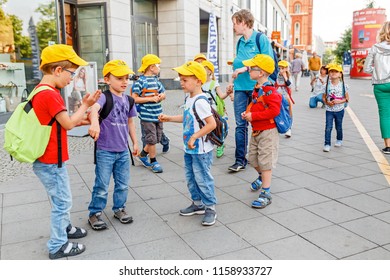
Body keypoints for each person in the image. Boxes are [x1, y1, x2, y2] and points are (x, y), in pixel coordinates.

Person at [33, 44, 101, 259]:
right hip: (51, 159)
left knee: (61, 197)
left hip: (49, 157)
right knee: (62, 201)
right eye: (71, 73)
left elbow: (62, 122)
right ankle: (57, 245)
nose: (72, 78)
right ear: (58, 70)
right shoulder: (50, 95)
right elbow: (69, 125)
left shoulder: (41, 91)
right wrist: (86, 104)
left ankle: (65, 228)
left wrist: (80, 117)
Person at [158, 61, 218, 226]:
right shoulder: (190, 99)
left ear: (198, 81)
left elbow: (211, 124)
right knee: (191, 178)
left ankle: (210, 207)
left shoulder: (200, 101)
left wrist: (194, 137)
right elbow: (188, 118)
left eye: (185, 80)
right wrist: (169, 118)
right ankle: (197, 204)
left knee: (203, 178)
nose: (181, 82)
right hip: (190, 149)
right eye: (181, 79)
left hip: (201, 150)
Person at [87, 60, 139, 230]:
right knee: (101, 184)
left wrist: (135, 142)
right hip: (105, 151)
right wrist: (94, 124)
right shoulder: (104, 97)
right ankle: (95, 213)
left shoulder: (129, 100)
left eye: (126, 78)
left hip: (123, 150)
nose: (124, 82)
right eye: (119, 78)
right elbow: (93, 109)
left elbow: (130, 122)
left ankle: (119, 208)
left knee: (123, 183)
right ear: (107, 79)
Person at [226, 9, 275, 172]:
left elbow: (267, 63)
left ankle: (261, 157)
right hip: (240, 88)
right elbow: (239, 62)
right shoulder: (240, 42)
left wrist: (245, 68)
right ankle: (240, 160)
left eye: (234, 23)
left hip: (257, 89)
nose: (233, 27)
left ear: (243, 22)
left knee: (258, 122)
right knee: (240, 124)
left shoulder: (261, 39)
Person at [241, 54, 281, 209]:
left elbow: (274, 111)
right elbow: (257, 105)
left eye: (252, 68)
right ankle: (261, 176)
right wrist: (247, 113)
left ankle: (266, 192)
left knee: (265, 163)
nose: (249, 70)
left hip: (268, 132)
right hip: (256, 130)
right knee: (252, 159)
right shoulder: (257, 88)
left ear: (261, 72)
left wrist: (254, 116)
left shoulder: (271, 91)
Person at [132, 54, 167, 173]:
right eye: (158, 66)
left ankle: (142, 155)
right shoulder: (140, 81)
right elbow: (134, 99)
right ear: (151, 67)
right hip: (147, 116)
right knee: (151, 139)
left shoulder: (156, 80)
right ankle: (153, 162)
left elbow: (163, 93)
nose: (160, 68)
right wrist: (150, 99)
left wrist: (162, 96)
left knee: (156, 138)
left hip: (158, 114)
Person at [364, 21, 390, 154]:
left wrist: (378, 72)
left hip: (380, 85)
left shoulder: (375, 47)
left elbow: (366, 68)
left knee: (385, 114)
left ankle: (388, 146)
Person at [201, 59, 233, 157]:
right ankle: (206, 146)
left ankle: (220, 144)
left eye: (203, 68)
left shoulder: (214, 83)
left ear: (209, 71)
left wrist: (228, 93)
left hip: (214, 110)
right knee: (204, 128)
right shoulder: (199, 83)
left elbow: (221, 96)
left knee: (217, 128)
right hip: (203, 110)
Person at [322, 64, 349, 152]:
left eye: (336, 71)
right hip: (329, 110)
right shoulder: (326, 85)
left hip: (339, 110)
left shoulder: (343, 86)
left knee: (339, 126)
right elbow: (324, 97)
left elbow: (347, 98)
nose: (333, 73)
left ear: (340, 74)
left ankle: (339, 139)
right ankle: (327, 144)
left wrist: (339, 101)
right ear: (329, 73)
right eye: (331, 71)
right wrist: (327, 102)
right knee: (328, 127)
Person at [275, 60, 293, 137]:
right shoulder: (277, 75)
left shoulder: (288, 76)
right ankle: (281, 125)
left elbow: (290, 86)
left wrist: (285, 77)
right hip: (278, 95)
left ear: (286, 68)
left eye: (282, 68)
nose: (281, 70)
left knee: (287, 111)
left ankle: (289, 128)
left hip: (285, 96)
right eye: (279, 68)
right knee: (279, 111)